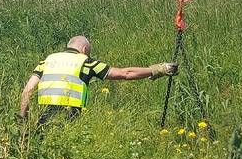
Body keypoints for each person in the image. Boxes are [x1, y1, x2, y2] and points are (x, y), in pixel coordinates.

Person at [18, 35, 177, 123]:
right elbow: (125, 73)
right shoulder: (86, 62)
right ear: (84, 49)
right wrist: (157, 69)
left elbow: (27, 92)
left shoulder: (46, 61)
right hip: (69, 120)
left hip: (44, 121)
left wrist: (24, 122)